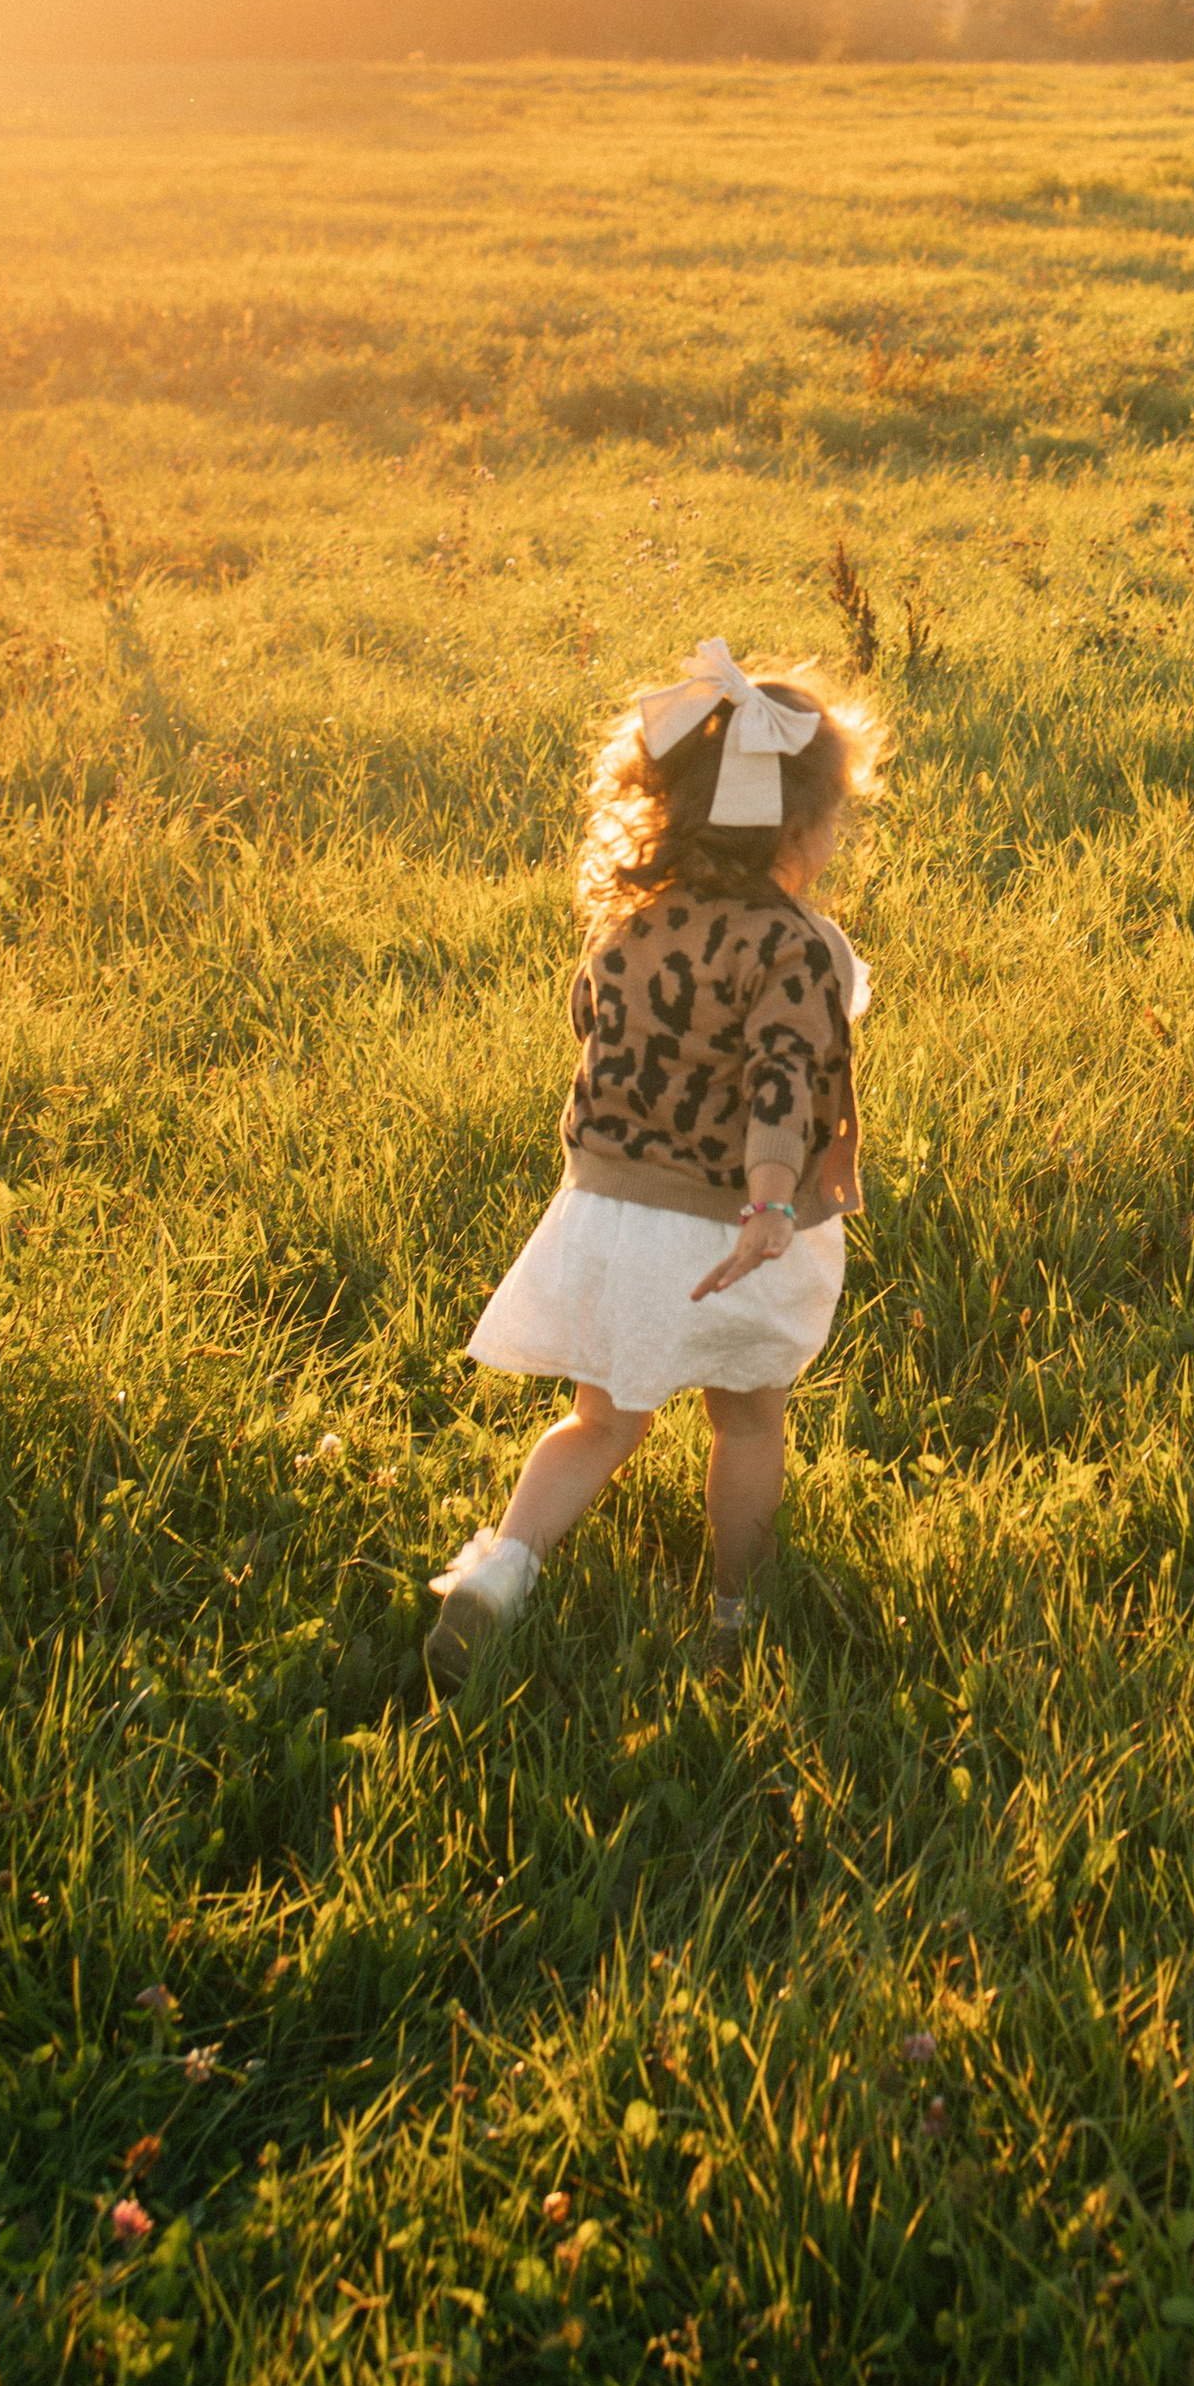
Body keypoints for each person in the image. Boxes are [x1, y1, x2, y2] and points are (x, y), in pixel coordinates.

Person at [421, 638, 883, 1688]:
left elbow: (597, 1036)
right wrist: (770, 1202)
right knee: (748, 1420)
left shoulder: (624, 928)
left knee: (599, 1421)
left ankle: (499, 1572)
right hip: (735, 1230)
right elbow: (783, 1078)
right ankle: (736, 1614)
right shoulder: (802, 946)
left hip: (615, 1219)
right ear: (801, 830)